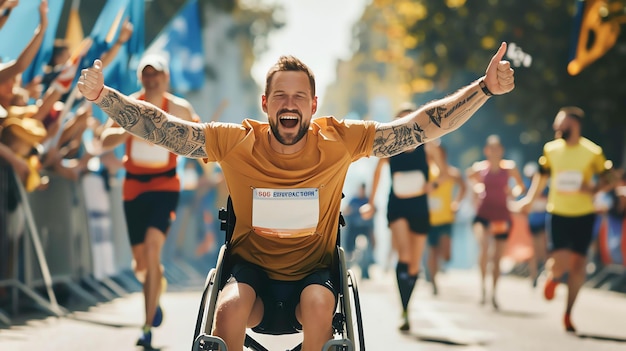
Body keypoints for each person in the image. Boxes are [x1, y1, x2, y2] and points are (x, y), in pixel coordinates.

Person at [78, 42, 515, 351]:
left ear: (313, 104)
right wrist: (104, 97)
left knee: (320, 303)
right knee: (227, 310)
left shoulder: (340, 139)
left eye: (300, 97)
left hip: (313, 274)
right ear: (266, 103)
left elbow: (420, 126)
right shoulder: (236, 141)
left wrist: (485, 89)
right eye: (281, 96)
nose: (291, 103)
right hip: (250, 275)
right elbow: (168, 130)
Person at [98, 54, 199, 348]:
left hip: (166, 185)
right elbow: (103, 141)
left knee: (154, 251)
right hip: (134, 187)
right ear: (141, 78)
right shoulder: (129, 104)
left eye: (157, 74)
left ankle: (146, 327)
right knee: (141, 265)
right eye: (147, 74)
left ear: (166, 78)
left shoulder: (179, 107)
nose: (152, 79)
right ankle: (155, 284)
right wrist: (131, 127)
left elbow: (198, 137)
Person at [517, 106, 616, 333]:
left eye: (560, 124)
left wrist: (592, 188)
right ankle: (553, 276)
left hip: (584, 214)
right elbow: (542, 178)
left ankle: (568, 313)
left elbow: (608, 179)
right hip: (559, 213)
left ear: (574, 125)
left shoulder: (592, 152)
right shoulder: (551, 150)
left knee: (579, 265)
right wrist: (529, 200)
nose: (556, 128)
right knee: (561, 263)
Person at [466, 134, 524, 310]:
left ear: (502, 150)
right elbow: (469, 177)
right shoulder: (480, 168)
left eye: (497, 149)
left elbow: (520, 186)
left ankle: (494, 293)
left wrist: (512, 193)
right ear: (486, 151)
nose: (494, 152)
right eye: (491, 149)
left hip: (501, 215)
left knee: (497, 257)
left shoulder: (510, 168)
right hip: (483, 214)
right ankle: (483, 288)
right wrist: (476, 190)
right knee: (484, 248)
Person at [426, 142, 466, 296]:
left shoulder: (451, 172)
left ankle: (435, 271)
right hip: (430, 219)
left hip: (446, 218)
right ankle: (433, 282)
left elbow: (463, 187)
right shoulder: (428, 171)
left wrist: (456, 203)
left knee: (446, 254)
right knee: (433, 252)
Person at [521, 162, 549, 288]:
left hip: (543, 221)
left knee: (542, 249)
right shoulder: (526, 187)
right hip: (531, 222)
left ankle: (543, 272)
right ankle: (534, 276)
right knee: (533, 250)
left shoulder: (546, 188)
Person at [342, 182, 375, 279]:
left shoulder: (368, 200)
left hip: (365, 229)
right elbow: (346, 211)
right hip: (354, 229)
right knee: (350, 251)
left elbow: (374, 212)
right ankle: (347, 269)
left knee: (367, 251)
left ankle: (365, 271)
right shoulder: (353, 200)